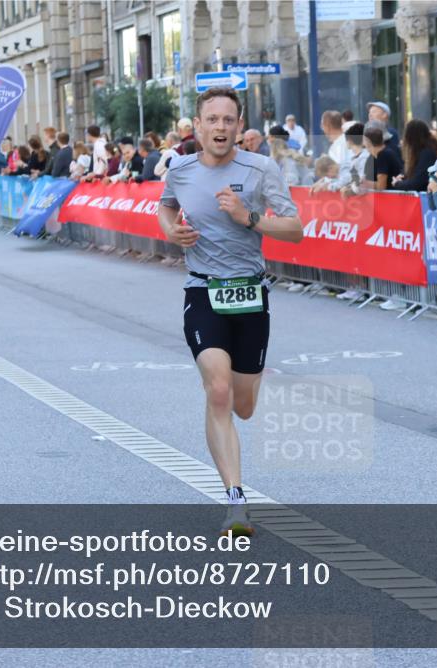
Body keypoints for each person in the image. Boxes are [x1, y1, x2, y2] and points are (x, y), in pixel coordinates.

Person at [157, 87, 303, 536]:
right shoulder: (179, 169)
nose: (220, 127)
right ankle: (236, 501)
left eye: (228, 120)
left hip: (250, 294)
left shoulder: (261, 169)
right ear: (196, 126)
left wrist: (249, 218)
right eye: (212, 119)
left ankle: (235, 486)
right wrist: (171, 232)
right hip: (203, 292)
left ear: (239, 126)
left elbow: (295, 229)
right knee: (217, 390)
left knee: (243, 405)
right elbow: (165, 209)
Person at [391, 119, 437, 192]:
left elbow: (418, 182)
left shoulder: (427, 153)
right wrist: (402, 177)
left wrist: (397, 184)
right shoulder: (422, 151)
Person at [363, 125, 402, 190]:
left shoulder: (383, 155)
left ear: (368, 143)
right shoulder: (375, 156)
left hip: (392, 197)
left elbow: (381, 186)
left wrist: (365, 183)